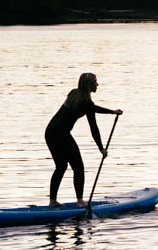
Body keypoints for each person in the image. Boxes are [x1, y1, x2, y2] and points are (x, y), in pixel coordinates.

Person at [47, 72, 123, 207]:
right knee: (78, 167)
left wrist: (111, 112)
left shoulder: (74, 94)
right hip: (61, 134)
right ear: (89, 85)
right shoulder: (86, 102)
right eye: (95, 82)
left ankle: (52, 201)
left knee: (61, 167)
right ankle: (80, 201)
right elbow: (94, 127)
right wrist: (101, 148)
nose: (97, 84)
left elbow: (92, 113)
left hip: (50, 132)